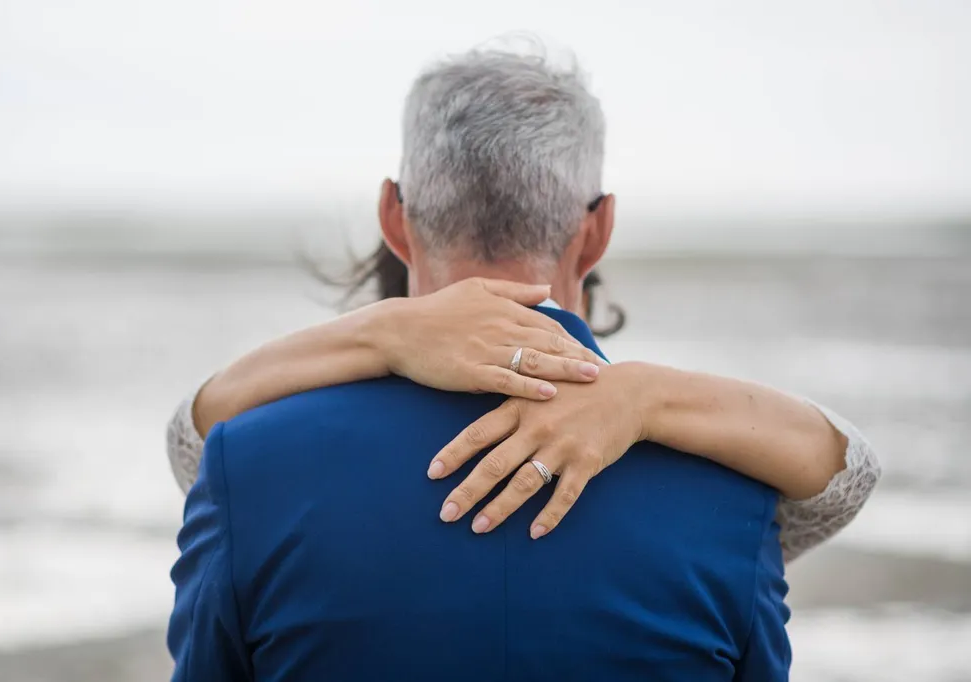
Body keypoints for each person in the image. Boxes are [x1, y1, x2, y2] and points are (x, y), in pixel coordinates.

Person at [168, 48, 879, 680]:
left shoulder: (246, 466)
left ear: (393, 218)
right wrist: (646, 396)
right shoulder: (738, 494)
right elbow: (850, 475)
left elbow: (190, 444)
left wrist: (375, 334)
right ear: (596, 231)